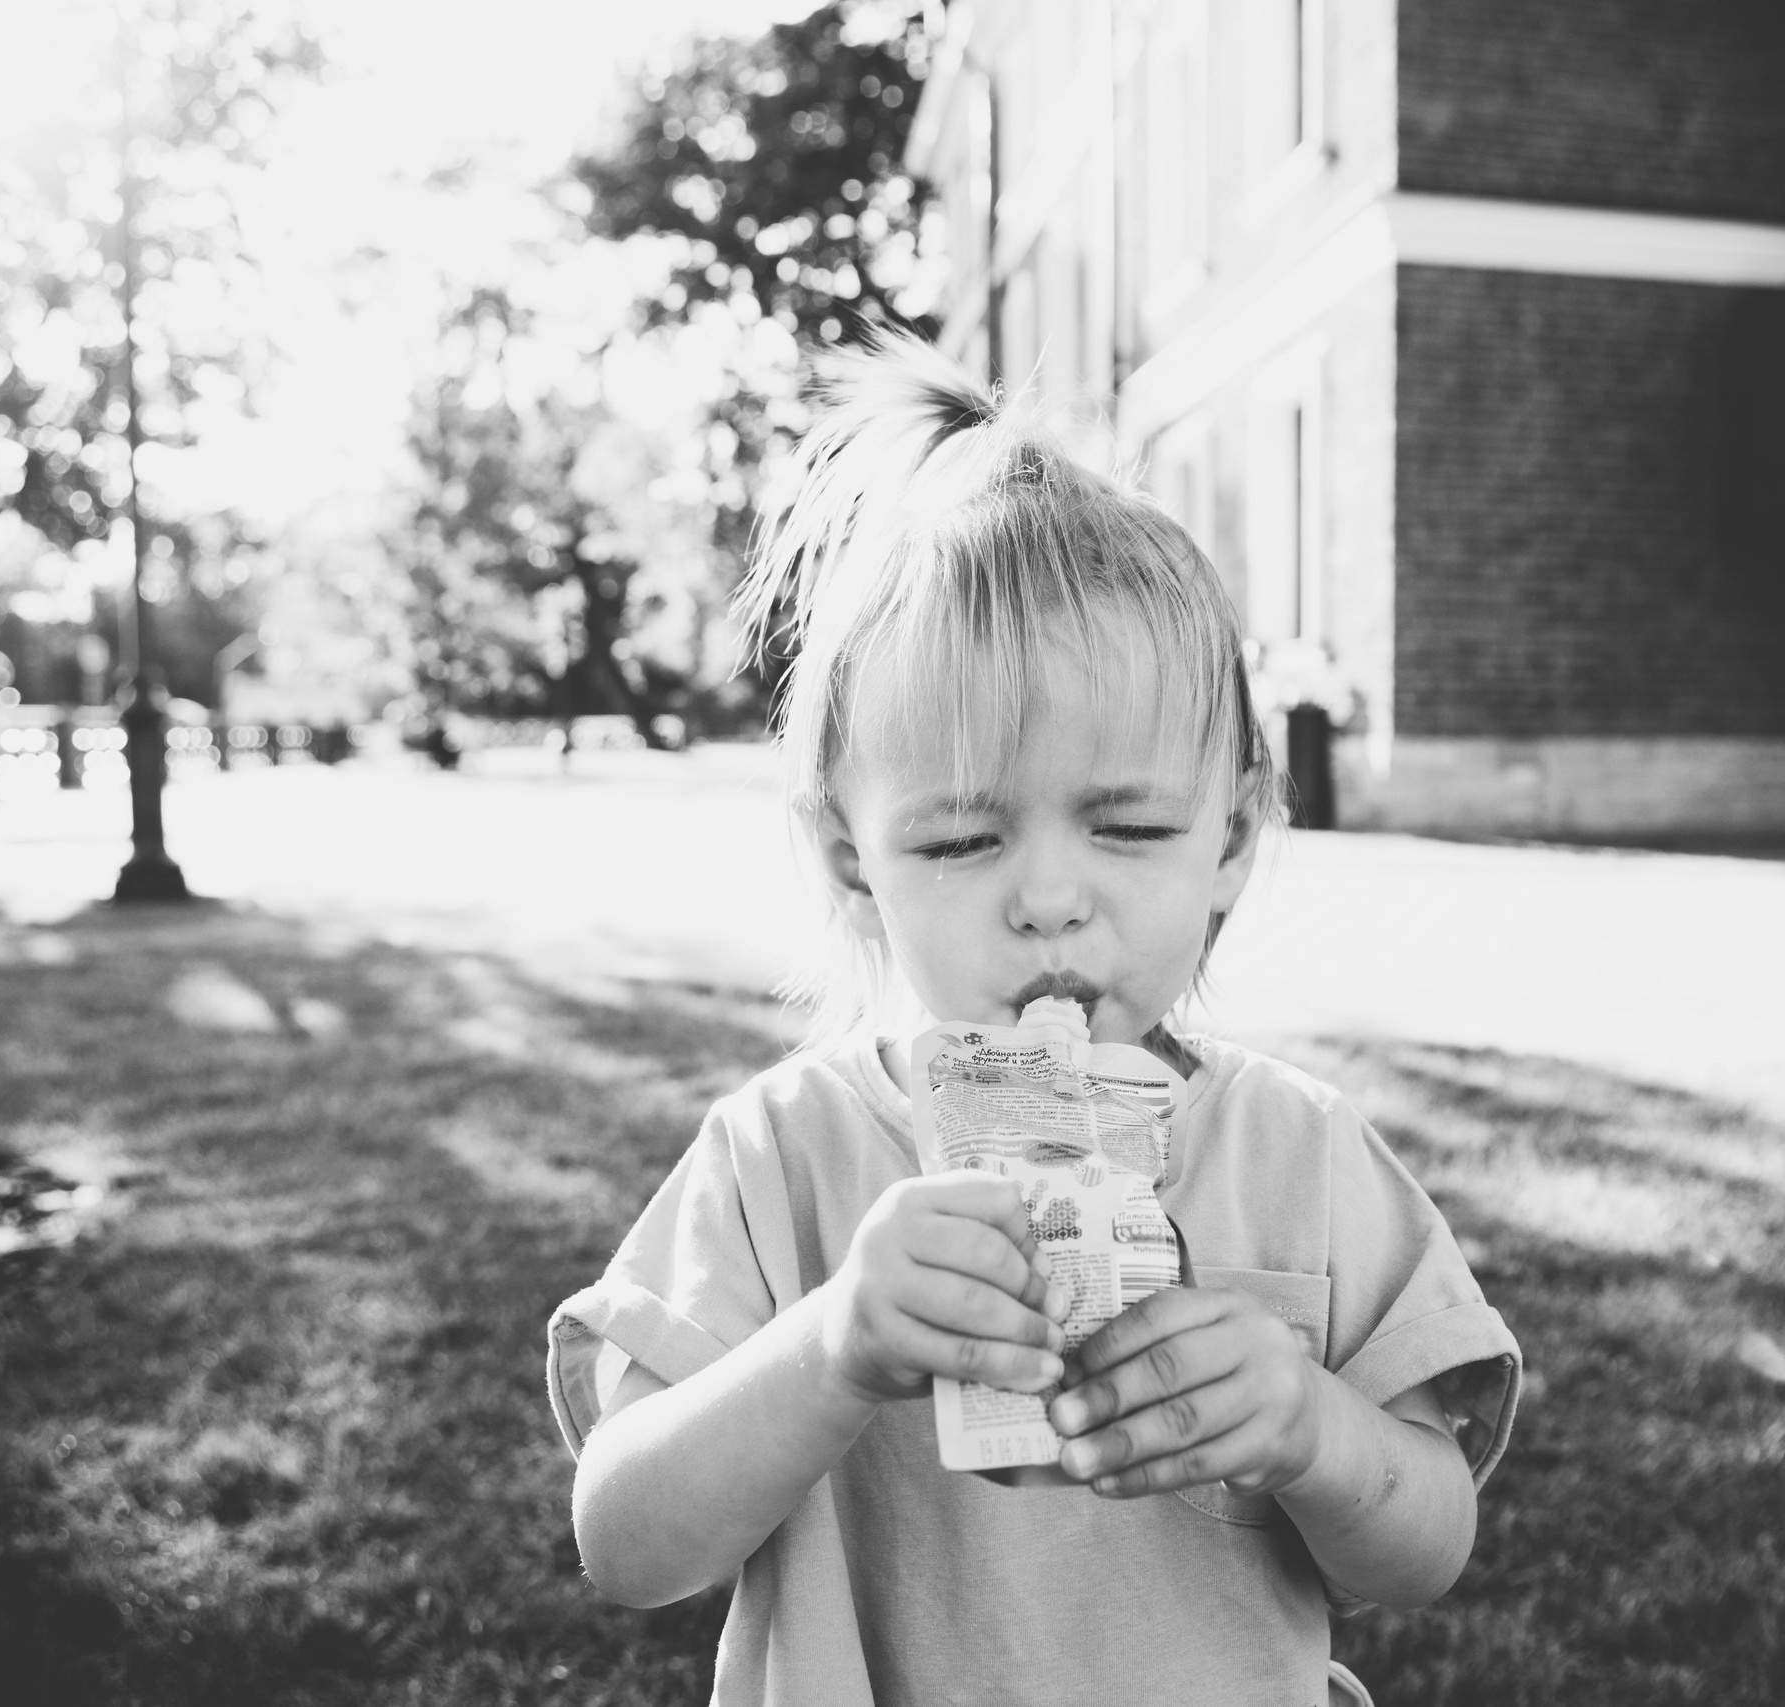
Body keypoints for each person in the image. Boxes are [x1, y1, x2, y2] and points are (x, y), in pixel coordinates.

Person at [547, 333, 1523, 1707]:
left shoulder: (1303, 1156)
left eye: (1128, 826)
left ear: (1234, 839)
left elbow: (1427, 1545)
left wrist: (1307, 1425)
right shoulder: (784, 1156)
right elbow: (627, 1539)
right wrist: (833, 1347)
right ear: (849, 855)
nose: (1050, 900)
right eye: (958, 842)